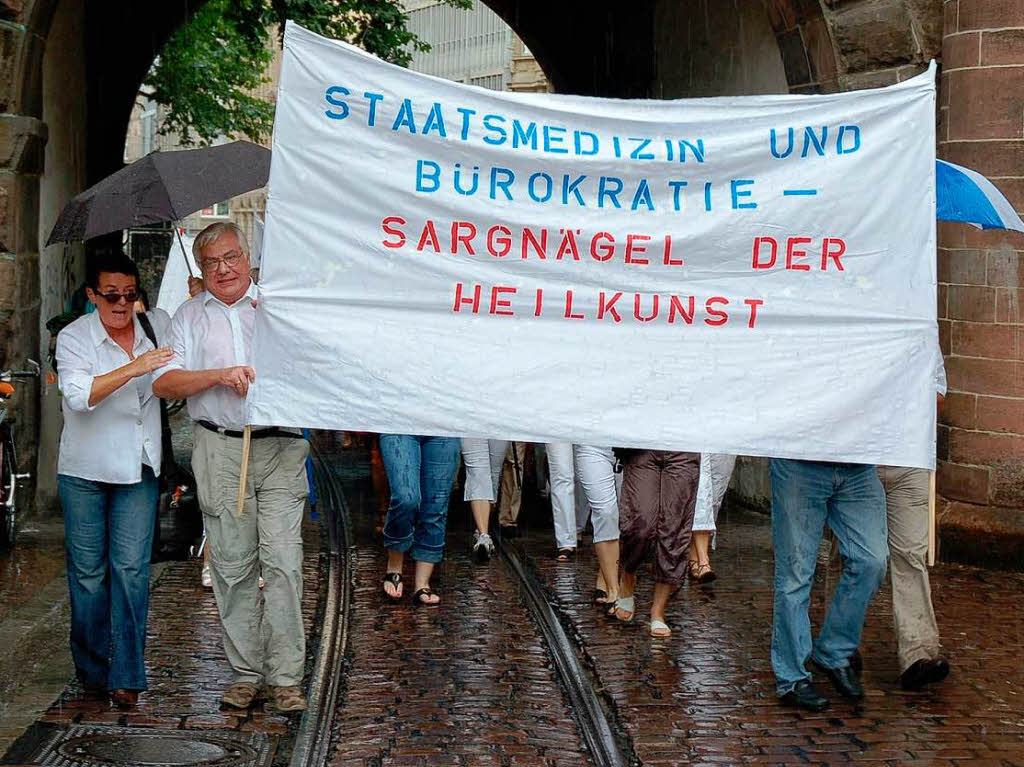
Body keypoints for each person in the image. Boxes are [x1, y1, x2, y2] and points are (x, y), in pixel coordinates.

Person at [152, 222, 310, 714]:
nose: (223, 269)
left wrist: (284, 332)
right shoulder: (187, 317)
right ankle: (246, 671)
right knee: (233, 565)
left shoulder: (278, 308)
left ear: (248, 258)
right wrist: (219, 376)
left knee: (284, 562)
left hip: (280, 447)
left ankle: (286, 677)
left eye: (232, 257)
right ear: (200, 268)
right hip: (219, 449)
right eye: (212, 261)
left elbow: (316, 365)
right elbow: (165, 382)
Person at [55, 251, 174, 708]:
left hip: (138, 467)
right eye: (111, 296)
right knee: (88, 577)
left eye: (129, 294)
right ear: (92, 295)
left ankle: (126, 675)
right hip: (84, 469)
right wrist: (134, 368)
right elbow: (79, 396)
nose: (122, 304)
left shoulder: (156, 327)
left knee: (131, 572)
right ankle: (91, 668)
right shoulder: (74, 338)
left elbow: (195, 328)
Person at [770, 458, 888, 710]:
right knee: (795, 575)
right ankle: (792, 678)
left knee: (872, 561)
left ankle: (834, 649)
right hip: (799, 462)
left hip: (857, 465)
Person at [876, 353, 950, 690]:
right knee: (854, 555)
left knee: (911, 553)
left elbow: (938, 399)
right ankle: (838, 645)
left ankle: (917, 652)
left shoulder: (921, 333)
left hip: (908, 456)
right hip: (861, 455)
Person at [612, 449, 701, 637]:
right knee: (639, 525)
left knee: (674, 528)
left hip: (685, 444)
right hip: (643, 443)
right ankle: (628, 576)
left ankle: (658, 612)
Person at [380, 434, 461, 604]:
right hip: (399, 422)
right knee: (405, 497)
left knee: (436, 504)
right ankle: (394, 565)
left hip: (444, 424)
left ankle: (422, 583)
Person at [574, 445, 620, 609]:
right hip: (592, 444)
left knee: (624, 515)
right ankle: (615, 591)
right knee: (606, 512)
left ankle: (605, 575)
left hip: (630, 446)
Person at [460, 438, 514, 561]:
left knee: (493, 475)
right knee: (477, 471)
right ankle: (483, 535)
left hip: (498, 424)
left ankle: (481, 529)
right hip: (469, 424)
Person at [688, 454, 737, 583]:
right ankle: (703, 562)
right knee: (701, 491)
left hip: (724, 441)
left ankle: (694, 554)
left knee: (715, 497)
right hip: (698, 438)